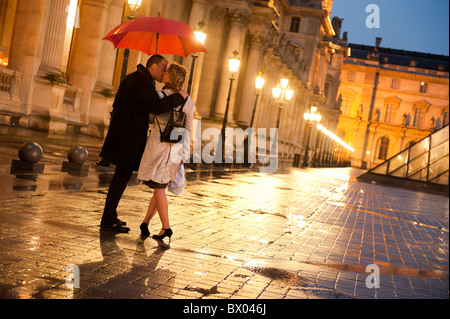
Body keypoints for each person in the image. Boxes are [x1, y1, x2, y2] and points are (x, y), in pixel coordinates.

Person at [99, 55, 188, 233]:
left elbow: (119, 104)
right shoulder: (142, 82)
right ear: (153, 66)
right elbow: (156, 105)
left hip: (121, 134)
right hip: (128, 137)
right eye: (163, 68)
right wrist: (180, 97)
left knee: (120, 177)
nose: (164, 72)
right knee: (120, 178)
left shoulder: (132, 78)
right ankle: (108, 219)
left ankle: (110, 216)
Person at [137, 63, 193, 242]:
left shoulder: (160, 96)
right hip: (176, 149)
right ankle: (145, 222)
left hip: (159, 147)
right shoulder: (187, 100)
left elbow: (151, 118)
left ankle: (166, 228)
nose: (164, 74)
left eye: (167, 73)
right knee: (158, 186)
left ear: (171, 77)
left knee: (159, 187)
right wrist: (185, 154)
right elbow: (188, 129)